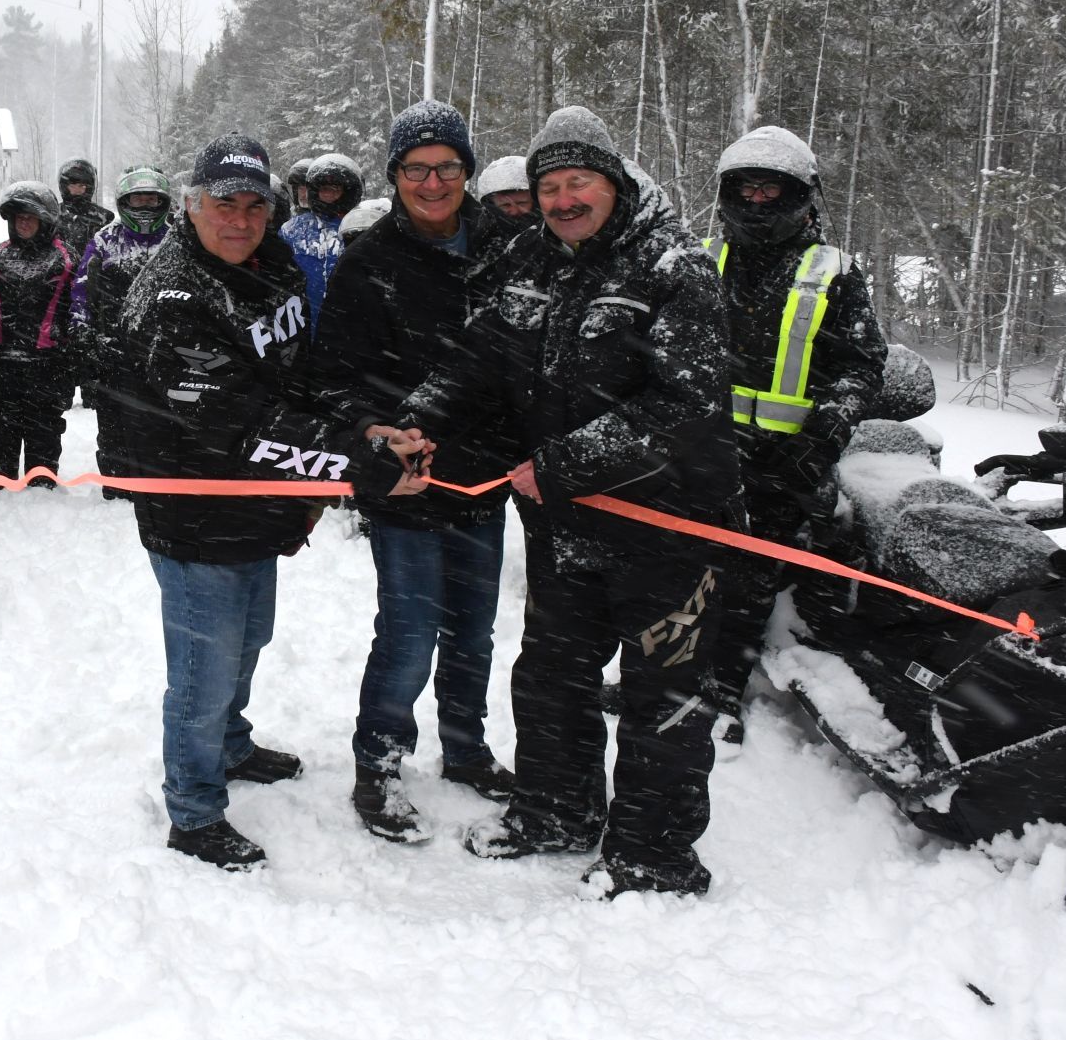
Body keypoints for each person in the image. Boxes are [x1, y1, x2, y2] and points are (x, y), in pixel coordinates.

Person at [401, 105, 738, 897]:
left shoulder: (673, 267)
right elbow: (479, 356)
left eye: (578, 181)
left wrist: (560, 462)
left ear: (612, 183)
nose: (562, 199)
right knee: (551, 672)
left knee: (665, 695)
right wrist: (416, 417)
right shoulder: (533, 261)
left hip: (671, 527)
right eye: (549, 185)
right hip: (565, 526)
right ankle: (554, 808)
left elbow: (685, 407)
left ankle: (655, 856)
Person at [122, 131, 432, 872]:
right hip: (193, 509)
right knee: (202, 667)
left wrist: (360, 426)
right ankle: (194, 810)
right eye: (223, 203)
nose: (239, 218)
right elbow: (236, 424)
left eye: (254, 203)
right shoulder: (173, 297)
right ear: (192, 206)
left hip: (258, 507)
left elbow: (301, 373)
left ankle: (230, 745)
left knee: (249, 637)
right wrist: (359, 464)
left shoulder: (277, 263)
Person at [314, 99, 522, 843]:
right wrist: (373, 430)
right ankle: (379, 763)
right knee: (409, 629)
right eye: (415, 168)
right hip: (406, 479)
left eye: (446, 166)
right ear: (394, 175)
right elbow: (332, 377)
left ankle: (465, 748)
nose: (432, 182)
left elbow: (529, 354)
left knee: (473, 628)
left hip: (484, 476)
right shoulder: (370, 260)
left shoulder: (509, 245)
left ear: (467, 169)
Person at [703, 126, 887, 736]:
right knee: (680, 570)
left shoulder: (833, 273)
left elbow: (859, 366)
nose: (757, 202)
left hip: (785, 462)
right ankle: (665, 679)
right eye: (746, 190)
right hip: (701, 452)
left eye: (770, 191)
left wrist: (820, 438)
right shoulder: (703, 260)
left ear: (802, 196)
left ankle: (722, 688)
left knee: (749, 582)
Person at [73, 167, 171, 493]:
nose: (144, 205)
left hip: (164, 354)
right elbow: (81, 294)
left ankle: (158, 484)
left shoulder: (176, 241)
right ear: (124, 201)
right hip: (113, 351)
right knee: (114, 423)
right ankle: (115, 486)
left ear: (162, 202)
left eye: (151, 199)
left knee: (162, 423)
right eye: (138, 198)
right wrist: (86, 335)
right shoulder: (104, 241)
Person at [0, 180, 77, 483]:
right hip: (2, 364)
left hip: (47, 365)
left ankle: (42, 481)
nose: (23, 222)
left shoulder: (65, 258)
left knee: (44, 431)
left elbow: (78, 309)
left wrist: (69, 357)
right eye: (17, 216)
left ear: (45, 220)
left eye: (30, 216)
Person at [278, 153, 363, 326]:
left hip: (350, 326)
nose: (329, 194)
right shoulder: (292, 230)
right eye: (324, 189)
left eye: (335, 188)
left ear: (348, 191)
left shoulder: (360, 227)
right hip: (302, 324)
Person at [54, 158, 113, 251]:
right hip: (62, 264)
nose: (77, 191)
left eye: (81, 186)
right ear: (65, 187)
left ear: (89, 188)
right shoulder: (53, 214)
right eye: (72, 186)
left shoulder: (104, 217)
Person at [475, 154, 535, 242]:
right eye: (506, 205)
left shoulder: (555, 234)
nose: (514, 211)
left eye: (521, 203)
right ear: (492, 206)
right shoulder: (481, 240)